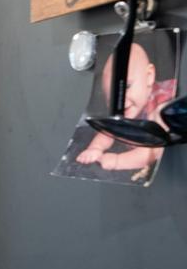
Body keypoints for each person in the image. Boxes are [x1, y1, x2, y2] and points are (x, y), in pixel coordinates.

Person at [74, 38, 176, 175]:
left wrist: (118, 161)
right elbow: (108, 131)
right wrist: (95, 148)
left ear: (149, 77)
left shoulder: (160, 108)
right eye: (111, 95)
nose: (120, 100)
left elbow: (154, 151)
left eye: (127, 86)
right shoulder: (123, 109)